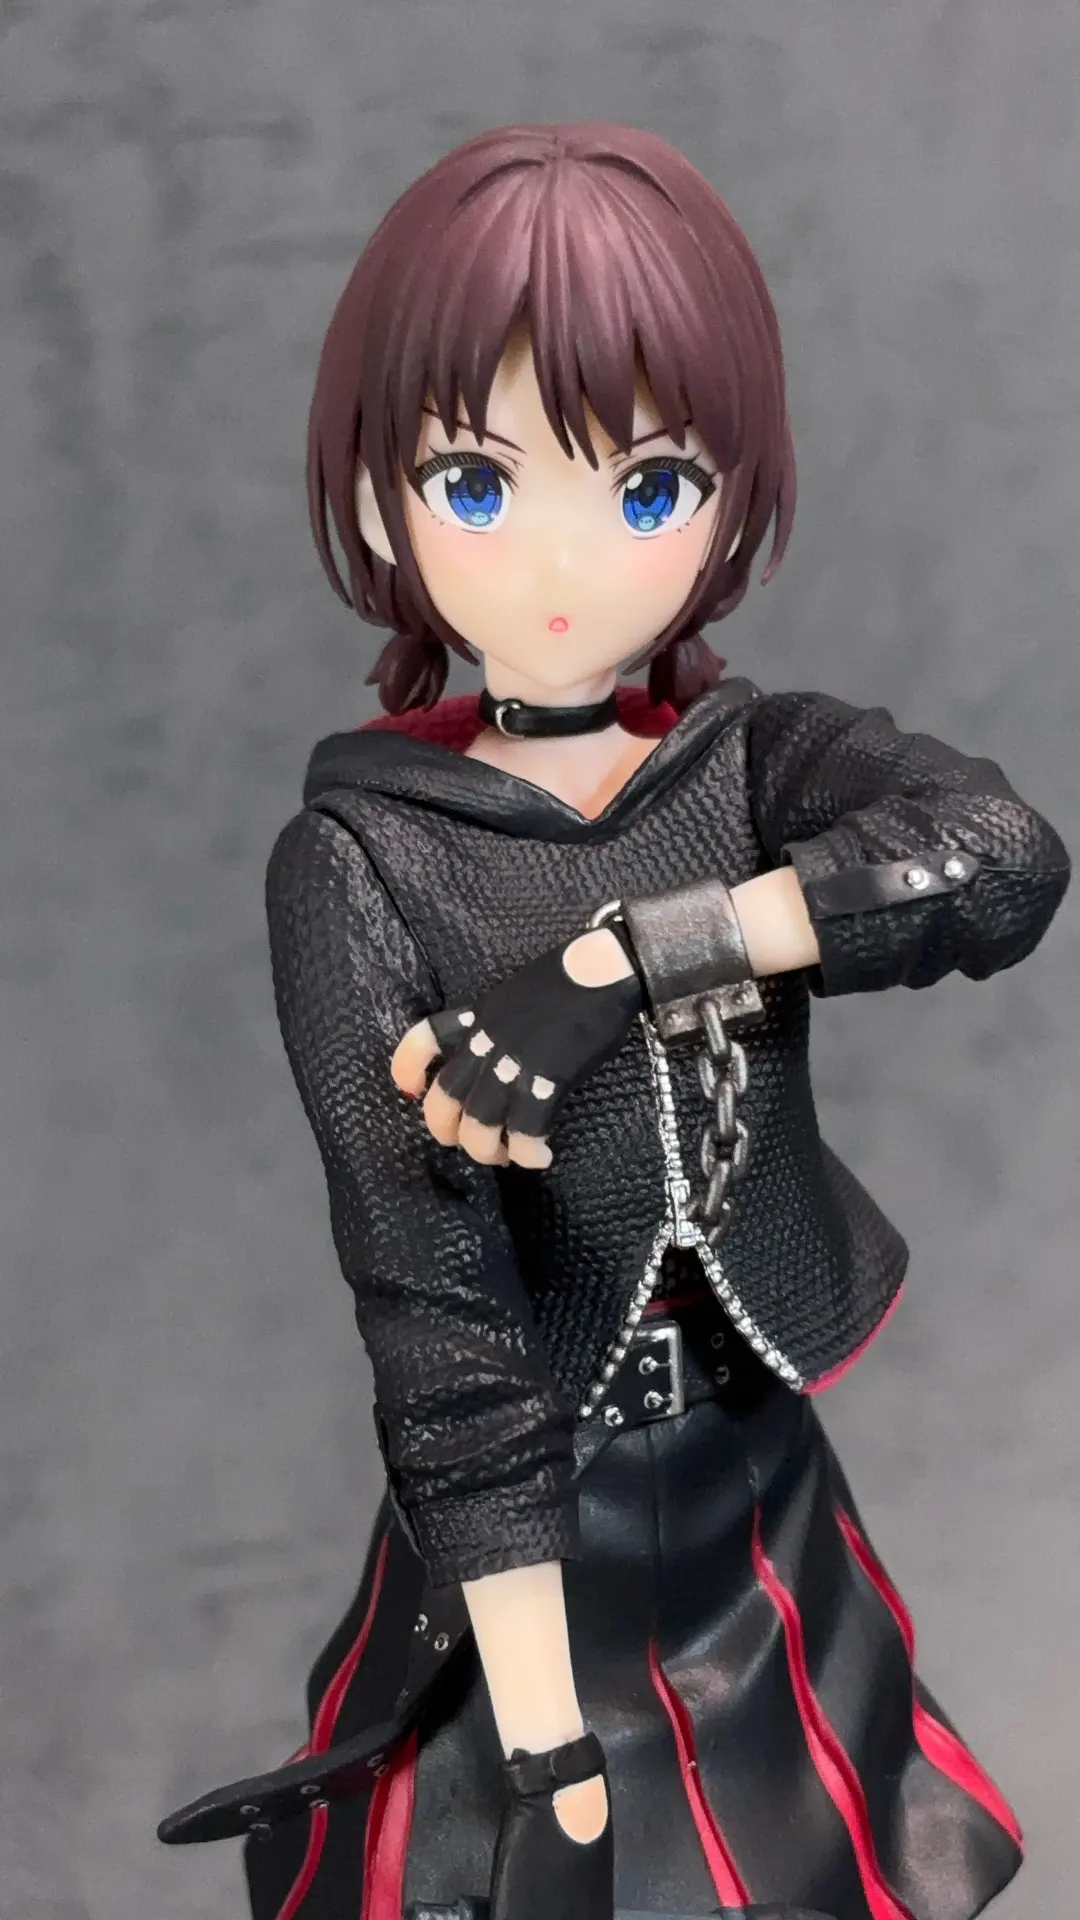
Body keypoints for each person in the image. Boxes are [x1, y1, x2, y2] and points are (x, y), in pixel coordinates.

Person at [158, 124, 1071, 1920]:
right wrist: (539, 1721)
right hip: (534, 1530)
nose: (562, 563)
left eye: (647, 489)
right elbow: (430, 1309)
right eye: (477, 483)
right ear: (380, 505)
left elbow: (999, 858)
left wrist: (628, 964)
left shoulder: (751, 766)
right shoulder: (362, 861)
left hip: (758, 1494)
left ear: (731, 503)